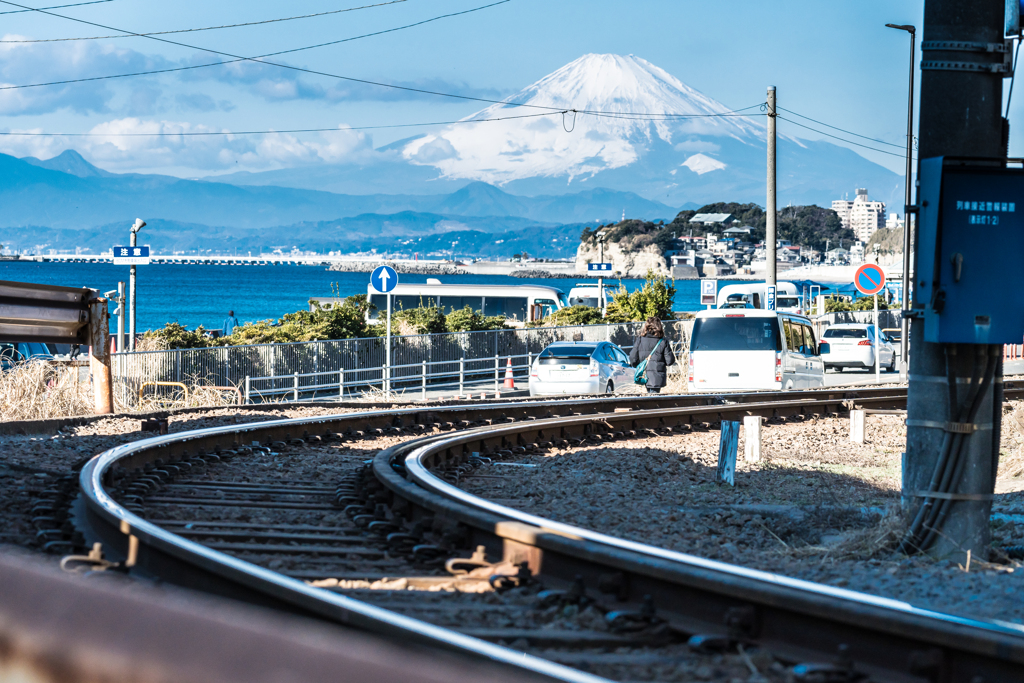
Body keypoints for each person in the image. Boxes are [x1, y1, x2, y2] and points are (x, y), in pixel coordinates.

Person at [629, 316, 676, 394]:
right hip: (658, 376)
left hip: (644, 375)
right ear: (659, 327)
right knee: (654, 398)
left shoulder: (640, 339)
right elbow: (670, 361)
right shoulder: (663, 341)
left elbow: (632, 358)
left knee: (650, 397)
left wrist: (639, 365)